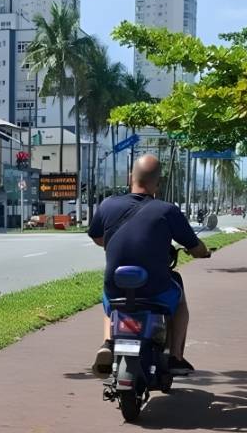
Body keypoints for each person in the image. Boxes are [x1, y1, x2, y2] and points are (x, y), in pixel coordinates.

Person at [88, 154, 211, 377]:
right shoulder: (167, 210)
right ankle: (175, 357)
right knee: (180, 301)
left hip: (116, 286)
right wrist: (204, 253)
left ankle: (107, 343)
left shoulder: (107, 205)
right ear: (157, 183)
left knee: (109, 300)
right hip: (156, 290)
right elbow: (194, 246)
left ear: (129, 178)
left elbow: (97, 238)